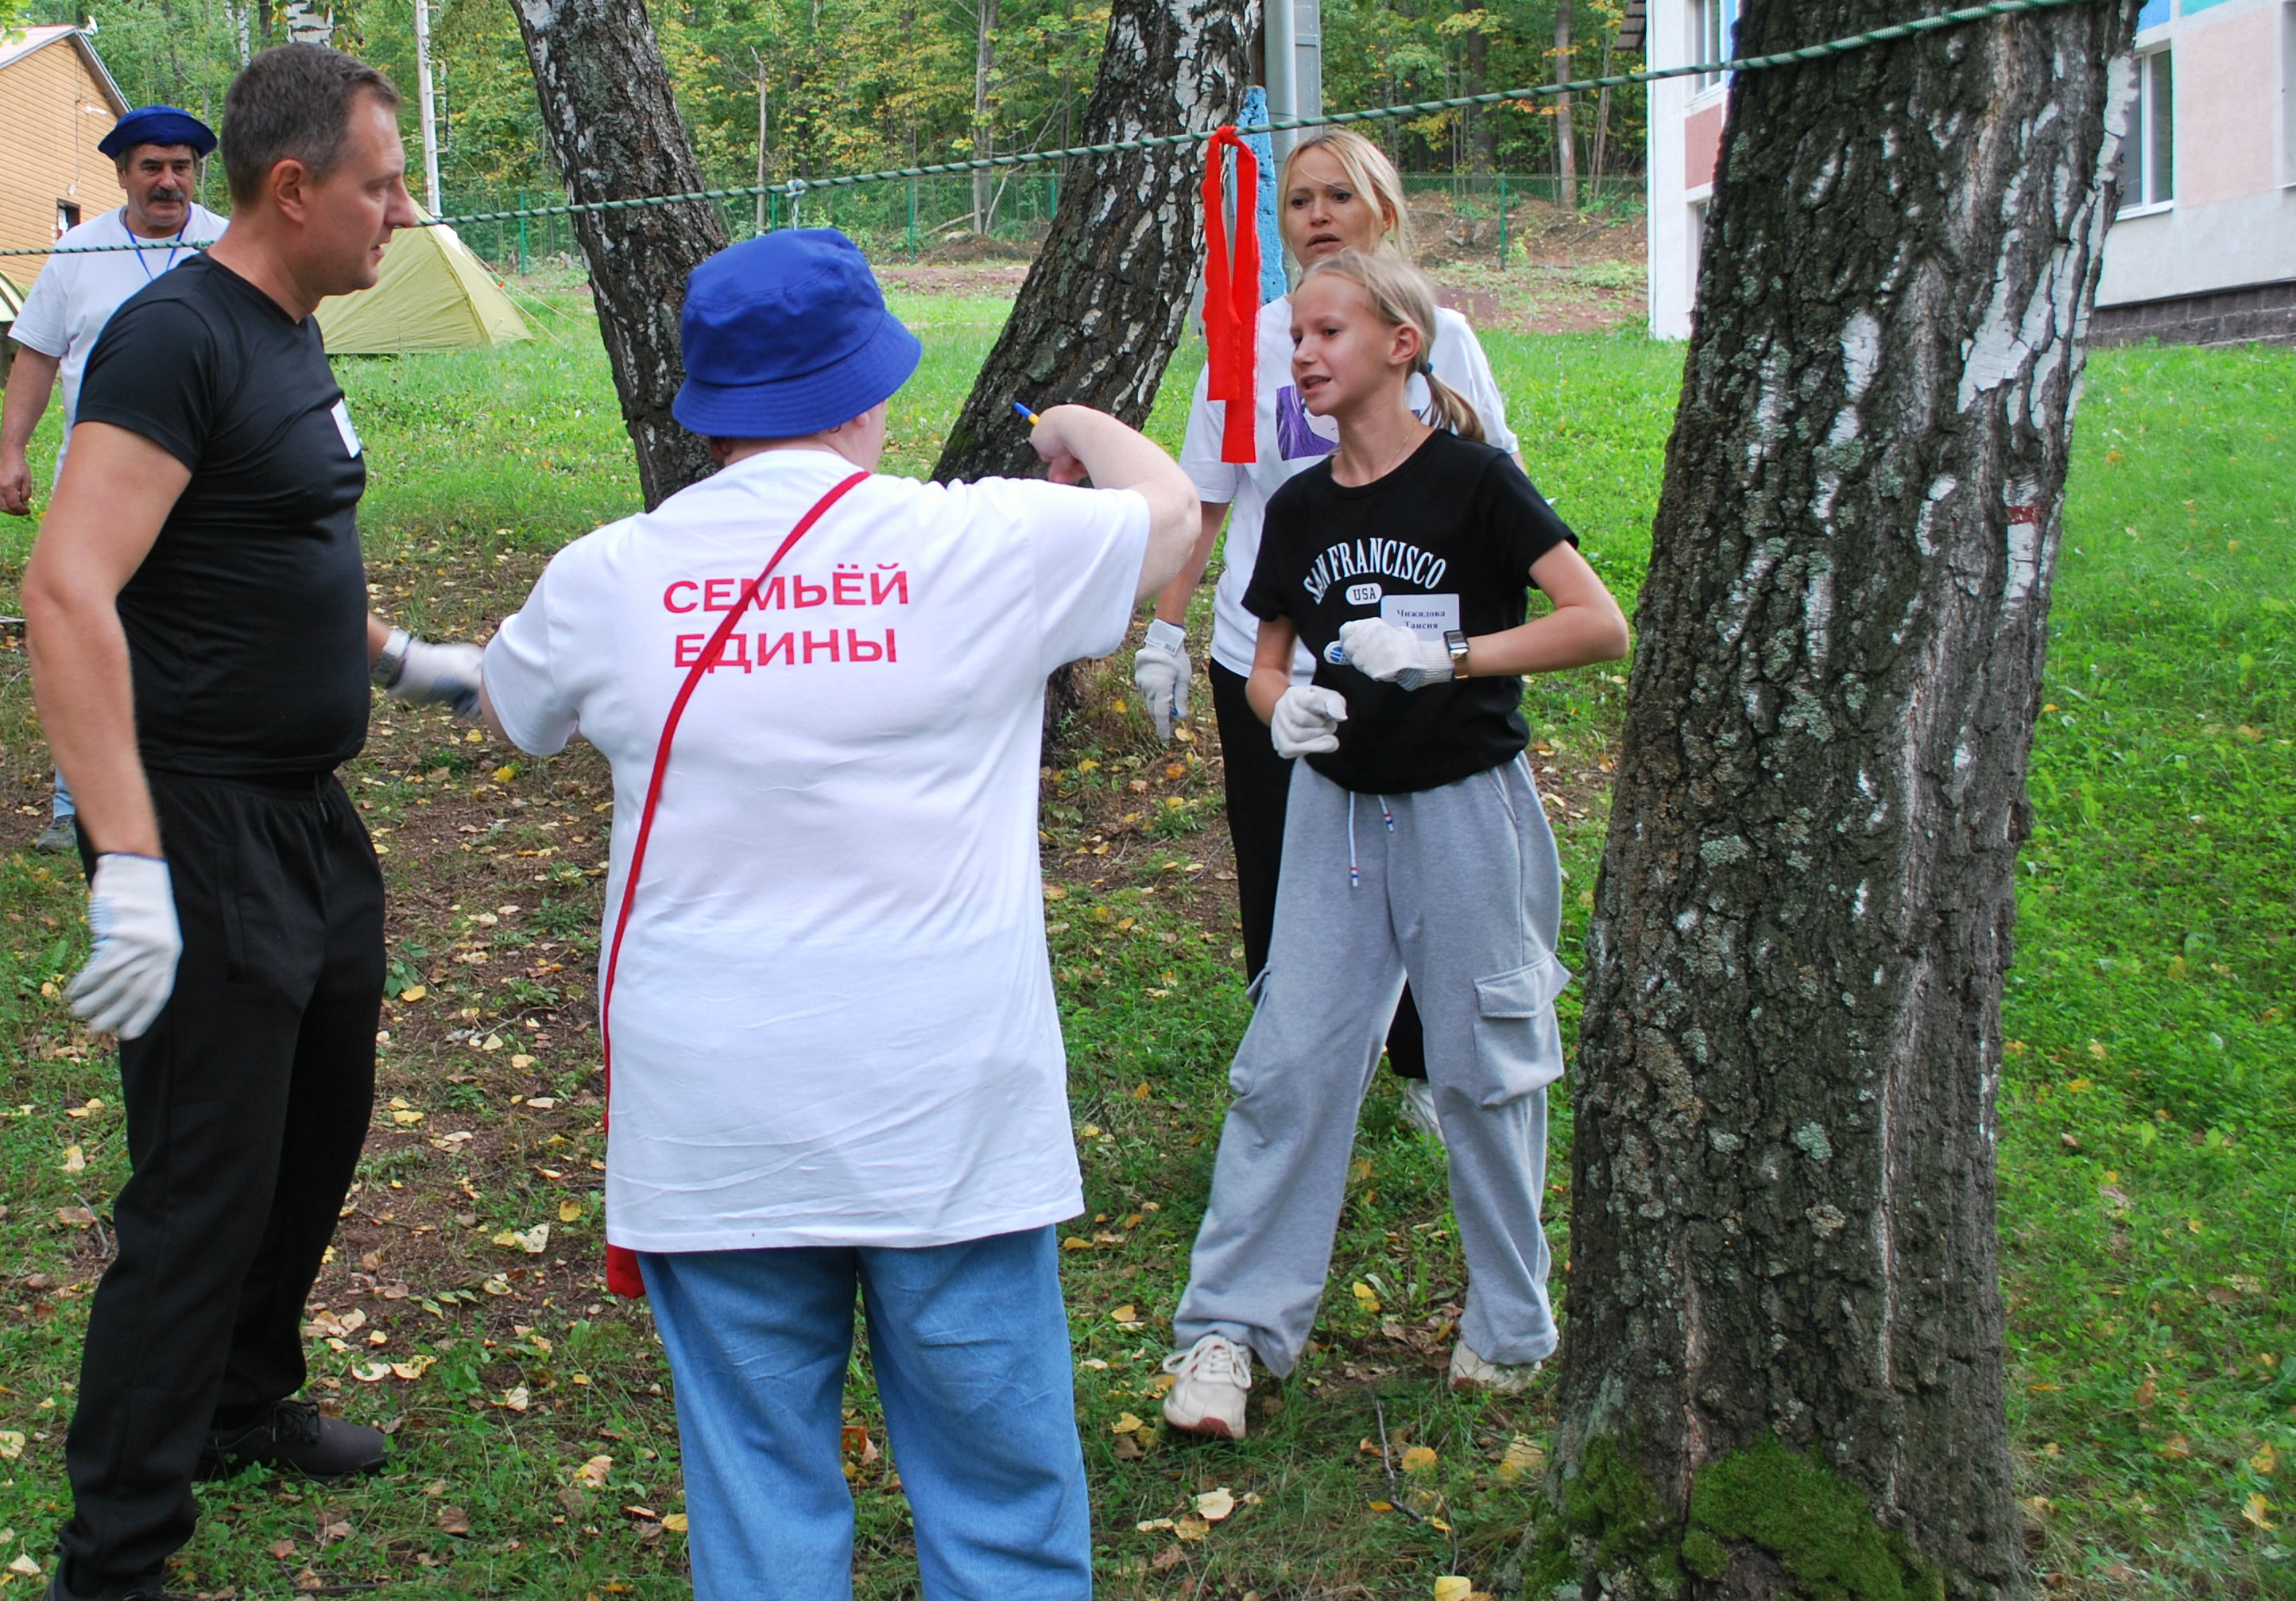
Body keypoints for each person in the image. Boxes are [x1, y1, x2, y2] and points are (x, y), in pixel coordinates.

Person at [478, 229, 1198, 1601]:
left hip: (715, 1121)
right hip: (947, 1111)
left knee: (761, 1503)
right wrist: (1075, 426)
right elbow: (1170, 513)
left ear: (707, 408)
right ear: (868, 391)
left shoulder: (607, 572)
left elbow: (516, 712)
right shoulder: (981, 541)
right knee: (1001, 1503)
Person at [22, 45, 485, 1601]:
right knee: (202, 1187)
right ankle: (115, 1555)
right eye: (380, 185)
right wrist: (129, 862)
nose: (401, 212)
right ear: (293, 189)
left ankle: (237, 1401)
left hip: (306, 812)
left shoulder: (288, 332)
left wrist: (408, 664)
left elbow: (264, 556)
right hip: (199, 821)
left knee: (315, 1128)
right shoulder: (174, 341)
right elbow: (66, 588)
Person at [1159, 248, 1627, 1440]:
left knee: (1483, 1062)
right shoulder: (1302, 507)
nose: (1303, 354)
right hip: (1335, 817)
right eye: (1297, 337)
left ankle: (1509, 1324)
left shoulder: (1475, 483)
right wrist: (1281, 710)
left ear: (1401, 345)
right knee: (1288, 1065)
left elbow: (1598, 624)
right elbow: (1266, 664)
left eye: (1328, 333)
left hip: (1464, 805)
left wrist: (1449, 656)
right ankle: (1229, 1331)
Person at [1133, 127, 1516, 1135]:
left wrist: (1464, 649)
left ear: (1382, 210)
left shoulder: (1437, 332)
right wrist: (1164, 635)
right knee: (1278, 864)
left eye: (1338, 196)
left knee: (1423, 865)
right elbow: (1204, 502)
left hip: (1406, 656)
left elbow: (1495, 489)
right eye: (1298, 199)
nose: (1316, 216)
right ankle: (1292, 1056)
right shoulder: (1245, 342)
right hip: (1269, 660)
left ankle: (1425, 1062)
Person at [0, 105, 233, 855]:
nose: (168, 182)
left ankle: (200, 784)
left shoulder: (230, 245)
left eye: (181, 167)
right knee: (85, 631)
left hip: (208, 486)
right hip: (95, 489)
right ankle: (76, 803)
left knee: (209, 631)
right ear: (123, 173)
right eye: (151, 167)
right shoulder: (79, 250)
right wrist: (12, 452)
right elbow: (37, 354)